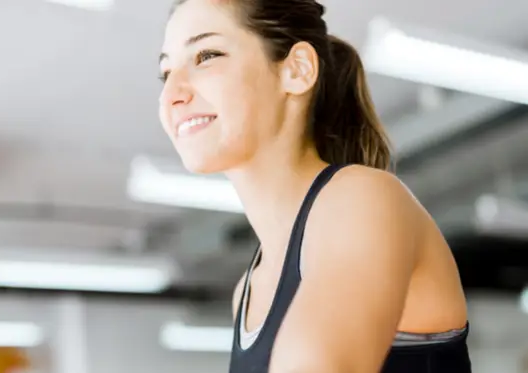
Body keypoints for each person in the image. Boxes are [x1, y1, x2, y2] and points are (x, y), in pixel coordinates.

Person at [156, 0, 472, 372]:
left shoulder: (363, 198)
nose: (172, 93)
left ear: (297, 70)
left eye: (206, 55)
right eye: (165, 73)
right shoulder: (248, 290)